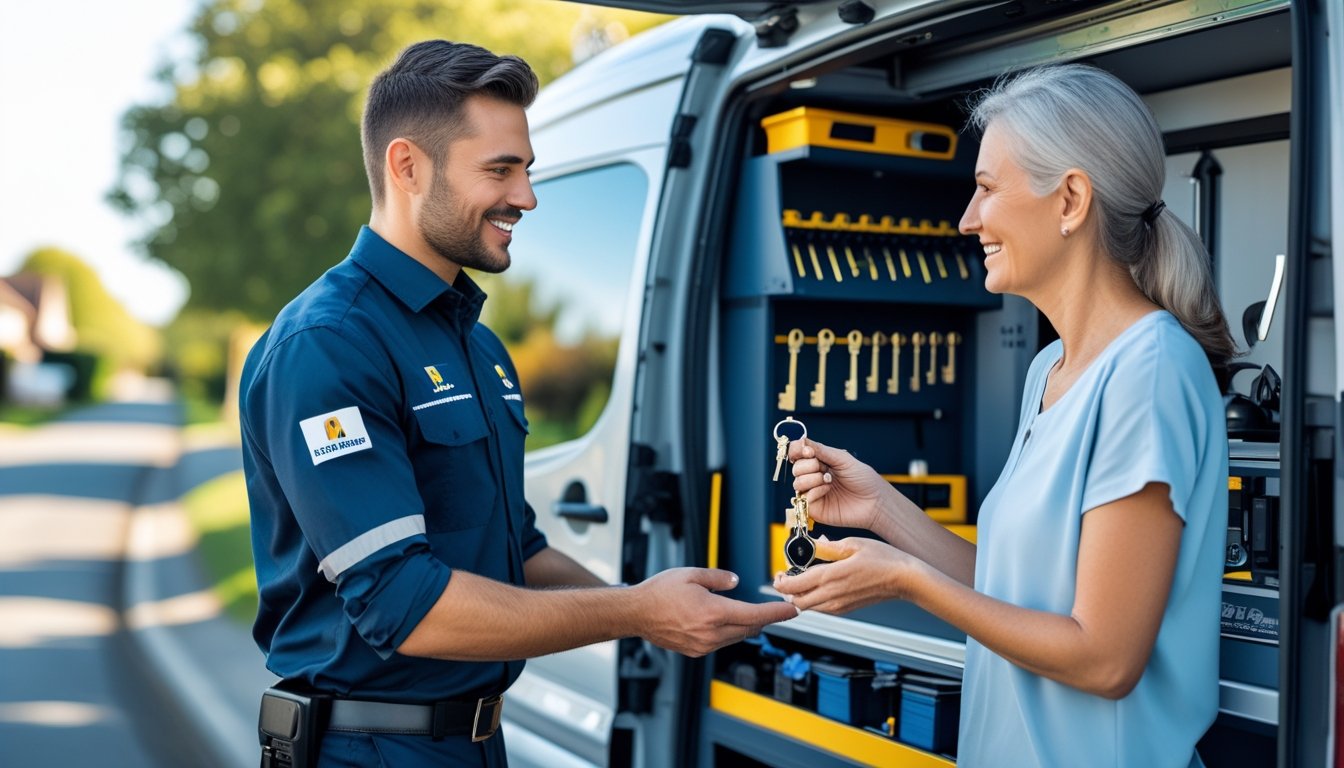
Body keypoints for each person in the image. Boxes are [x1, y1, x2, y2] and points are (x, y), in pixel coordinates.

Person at [239, 39, 796, 768]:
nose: (526, 197)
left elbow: (516, 551)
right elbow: (404, 603)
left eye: (526, 169)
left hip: (475, 744)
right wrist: (637, 611)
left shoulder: (478, 346)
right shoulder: (328, 344)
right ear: (407, 166)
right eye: (499, 170)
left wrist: (651, 605)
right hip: (367, 749)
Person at [774, 63, 1235, 768]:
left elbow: (1105, 658)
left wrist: (903, 579)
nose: (967, 218)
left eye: (987, 188)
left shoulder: (1151, 374)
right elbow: (1015, 589)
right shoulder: (1047, 372)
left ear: (1071, 199)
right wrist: (880, 509)